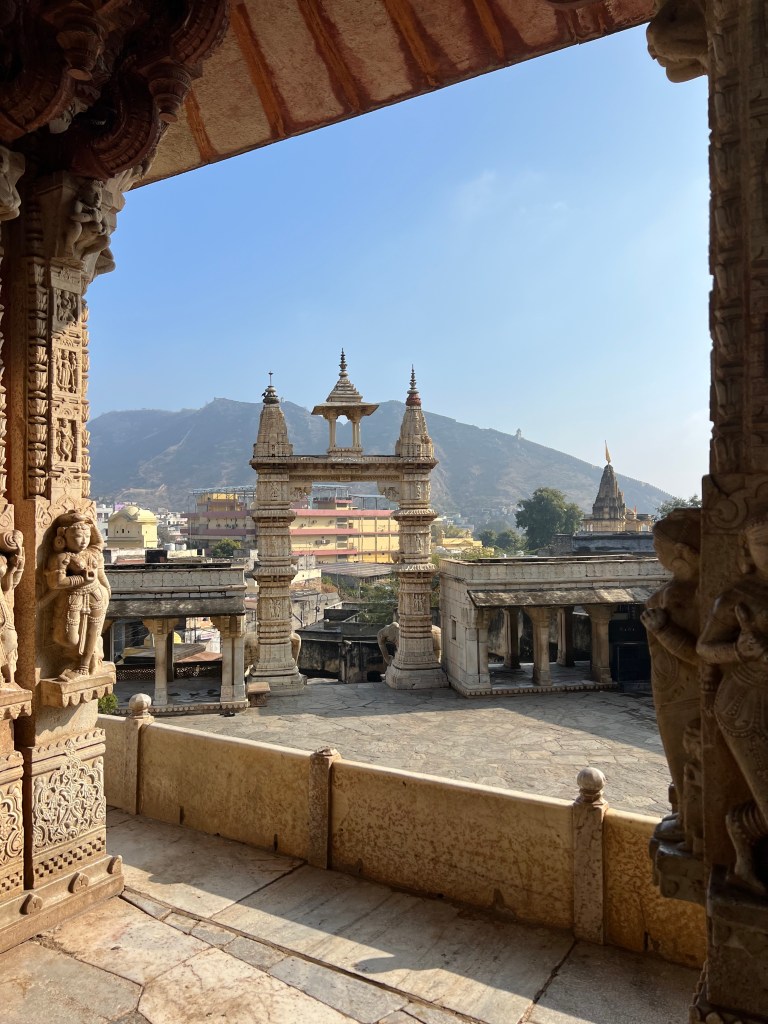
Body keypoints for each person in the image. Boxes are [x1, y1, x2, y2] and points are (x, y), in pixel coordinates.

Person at [697, 514, 768, 893]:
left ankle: (743, 828)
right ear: (748, 551)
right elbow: (705, 648)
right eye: (765, 544)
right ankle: (742, 851)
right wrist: (740, 651)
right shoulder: (737, 598)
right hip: (747, 702)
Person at [641, 509, 701, 846]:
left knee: (686, 757)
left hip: (687, 691)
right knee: (677, 756)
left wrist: (663, 630)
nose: (654, 552)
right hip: (670, 686)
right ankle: (685, 813)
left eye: (657, 546)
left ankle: (692, 821)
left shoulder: (694, 595)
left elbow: (702, 656)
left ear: (681, 551)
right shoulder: (678, 591)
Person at [44, 511, 109, 677]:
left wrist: (91, 524)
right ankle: (71, 657)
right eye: (78, 537)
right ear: (64, 538)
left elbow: (99, 543)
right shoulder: (62, 557)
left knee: (93, 632)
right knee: (68, 638)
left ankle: (85, 665)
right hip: (73, 597)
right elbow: (56, 583)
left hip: (96, 594)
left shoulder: (92, 553)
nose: (84, 541)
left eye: (87, 536)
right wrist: (80, 579)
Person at [0, 530, 24, 688]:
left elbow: (6, 587)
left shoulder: (1, 558)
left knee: (10, 639)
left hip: (1, 608)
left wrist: (13, 569)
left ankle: (10, 678)